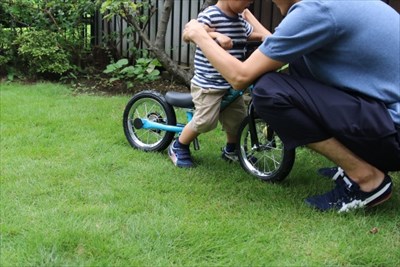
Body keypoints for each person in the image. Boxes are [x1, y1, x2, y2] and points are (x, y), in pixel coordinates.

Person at [182, 0, 400, 212]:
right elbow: (274, 41)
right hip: (386, 121)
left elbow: (240, 77)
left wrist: (199, 35)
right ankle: (358, 163)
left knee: (268, 91)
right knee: (299, 61)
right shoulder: (331, 5)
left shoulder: (315, 10)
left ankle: (366, 178)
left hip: (392, 132)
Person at [168, 0, 267, 168]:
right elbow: (189, 34)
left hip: (231, 84)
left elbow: (249, 34)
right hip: (209, 84)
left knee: (237, 120)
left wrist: (263, 37)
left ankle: (231, 150)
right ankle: (179, 146)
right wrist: (215, 36)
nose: (250, 3)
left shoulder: (239, 19)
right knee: (205, 121)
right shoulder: (211, 14)